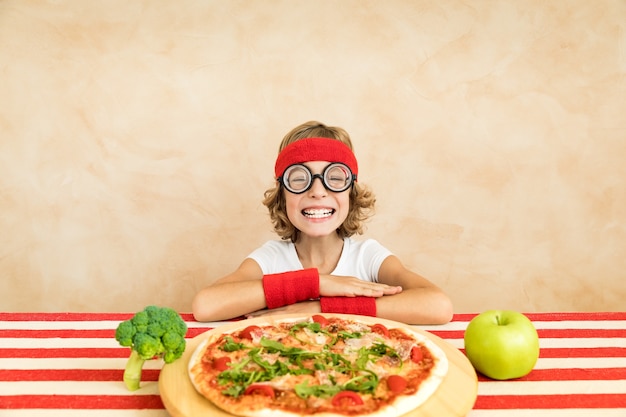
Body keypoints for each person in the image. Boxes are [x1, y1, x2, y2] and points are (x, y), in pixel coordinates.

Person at [192, 121, 453, 324]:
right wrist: (317, 283)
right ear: (282, 194)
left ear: (351, 191)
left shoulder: (367, 257)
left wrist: (320, 308)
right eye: (299, 178)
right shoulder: (271, 258)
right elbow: (206, 306)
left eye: (334, 178)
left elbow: (438, 305)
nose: (318, 191)